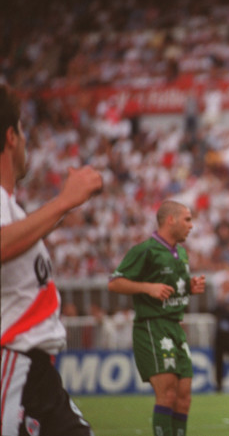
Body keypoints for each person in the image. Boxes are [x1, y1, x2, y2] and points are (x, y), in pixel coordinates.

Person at [0, 83, 102, 436]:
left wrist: (63, 209)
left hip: (35, 371)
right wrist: (62, 202)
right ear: (11, 137)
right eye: (24, 131)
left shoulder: (10, 207)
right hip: (11, 361)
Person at [108, 200, 206, 436]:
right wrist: (147, 288)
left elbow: (172, 286)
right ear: (170, 220)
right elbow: (114, 282)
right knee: (168, 394)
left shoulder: (181, 252)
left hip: (175, 327)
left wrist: (189, 287)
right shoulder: (146, 250)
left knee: (184, 397)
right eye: (187, 219)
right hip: (153, 326)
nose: (191, 226)